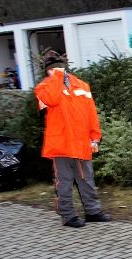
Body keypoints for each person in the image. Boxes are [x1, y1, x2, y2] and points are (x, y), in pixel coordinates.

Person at [34, 54, 112, 228]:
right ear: (48, 71)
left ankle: (93, 212)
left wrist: (95, 137)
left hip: (82, 143)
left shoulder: (82, 86)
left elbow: (91, 114)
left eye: (59, 68)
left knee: (87, 179)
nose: (57, 71)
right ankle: (68, 215)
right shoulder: (43, 88)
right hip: (61, 145)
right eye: (53, 69)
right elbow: (51, 99)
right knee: (64, 181)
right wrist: (57, 78)